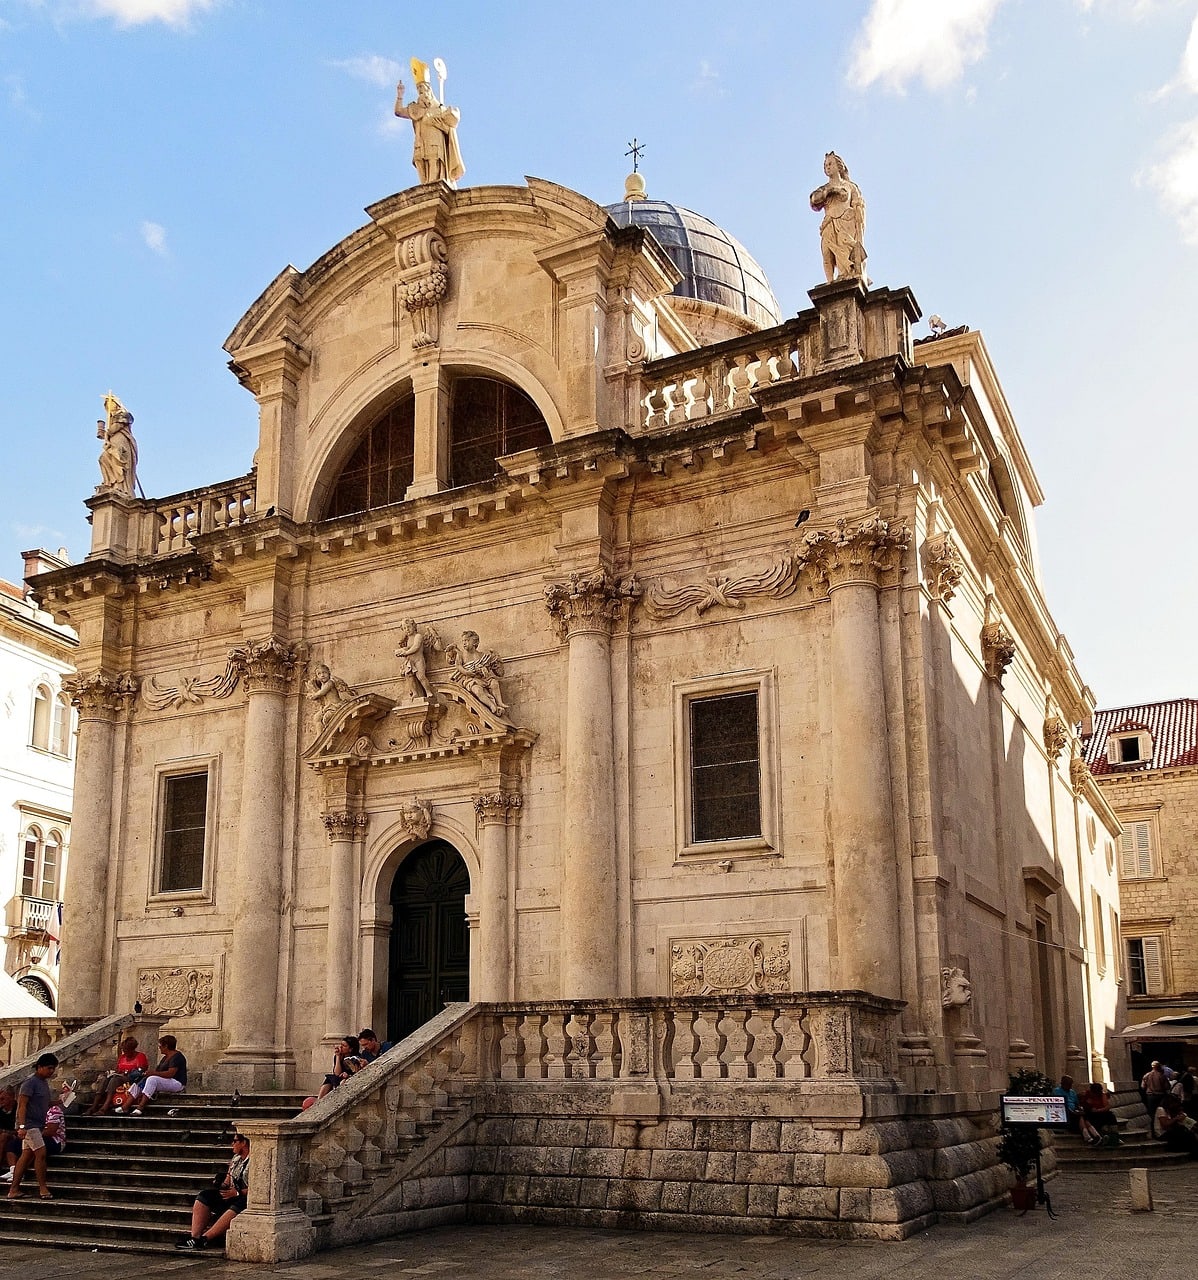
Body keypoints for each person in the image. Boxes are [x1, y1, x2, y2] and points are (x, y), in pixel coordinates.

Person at [176, 1133, 250, 1250]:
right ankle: (194, 1237)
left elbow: (257, 1189)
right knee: (205, 1196)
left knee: (240, 1203)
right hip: (231, 1193)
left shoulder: (254, 1161)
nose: (232, 1144)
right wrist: (221, 1184)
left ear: (244, 1143)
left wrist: (237, 1193)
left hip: (245, 1197)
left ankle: (205, 1239)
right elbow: (228, 1180)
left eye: (235, 1141)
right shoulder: (236, 1159)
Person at [394, 64, 464, 188]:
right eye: (419, 88)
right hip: (420, 141)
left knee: (433, 162)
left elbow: (450, 126)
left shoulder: (439, 109)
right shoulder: (415, 108)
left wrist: (443, 124)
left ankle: (432, 188)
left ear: (429, 90)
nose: (421, 91)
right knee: (419, 162)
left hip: (435, 141)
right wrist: (400, 96)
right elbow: (398, 111)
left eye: (423, 88)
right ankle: (425, 188)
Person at [809, 152, 868, 284]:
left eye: (830, 164)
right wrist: (830, 191)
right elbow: (814, 200)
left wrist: (856, 215)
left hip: (846, 224)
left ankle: (849, 274)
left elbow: (859, 207)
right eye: (825, 165)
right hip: (829, 224)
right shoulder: (824, 188)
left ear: (839, 166)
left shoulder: (851, 187)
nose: (827, 167)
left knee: (847, 251)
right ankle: (830, 282)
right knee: (826, 254)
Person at [6, 1052, 58, 1200]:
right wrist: (21, 1126)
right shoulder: (30, 1083)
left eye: (53, 1068)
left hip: (37, 1124)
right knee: (40, 1154)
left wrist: (60, 1102)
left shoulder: (43, 1083)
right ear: (40, 1067)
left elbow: (43, 1104)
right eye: (49, 1068)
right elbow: (22, 1105)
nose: (51, 1071)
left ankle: (14, 1189)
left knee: (25, 1157)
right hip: (30, 1125)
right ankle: (42, 1188)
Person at [124, 1034, 187, 1114]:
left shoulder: (177, 1057)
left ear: (166, 1046)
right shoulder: (165, 1057)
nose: (159, 1048)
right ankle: (125, 1106)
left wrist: (153, 1073)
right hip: (167, 1081)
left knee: (152, 1079)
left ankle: (141, 1107)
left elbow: (170, 1074)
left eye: (160, 1046)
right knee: (142, 1080)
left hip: (177, 1083)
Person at [88, 1035, 150, 1115]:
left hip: (131, 1079)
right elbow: (118, 1069)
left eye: (126, 1050)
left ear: (132, 1049)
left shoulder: (140, 1056)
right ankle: (94, 1106)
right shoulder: (122, 1057)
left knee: (115, 1079)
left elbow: (141, 1071)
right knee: (105, 1079)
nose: (124, 1052)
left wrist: (127, 1072)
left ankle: (104, 1108)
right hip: (120, 1076)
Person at [96, 393, 138, 496]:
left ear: (116, 403)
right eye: (107, 405)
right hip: (112, 442)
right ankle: (110, 483)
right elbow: (109, 432)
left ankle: (122, 486)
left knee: (120, 459)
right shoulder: (111, 419)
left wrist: (107, 432)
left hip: (121, 441)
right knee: (103, 458)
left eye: (110, 403)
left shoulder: (124, 415)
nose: (108, 406)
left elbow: (116, 428)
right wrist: (103, 434)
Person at [1053, 1074, 1102, 1145]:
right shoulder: (1057, 1091)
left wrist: (1079, 1108)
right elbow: (1059, 1104)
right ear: (1063, 1083)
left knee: (1083, 1116)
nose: (1070, 1086)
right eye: (1068, 1084)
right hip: (1065, 1112)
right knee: (1080, 1117)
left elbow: (1077, 1103)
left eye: (1071, 1084)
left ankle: (1094, 1136)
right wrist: (1072, 1111)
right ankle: (1089, 1136)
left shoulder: (1072, 1092)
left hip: (1075, 1112)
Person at [1142, 1060, 1170, 1137]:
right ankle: (1160, 1130)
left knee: (1151, 1114)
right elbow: (1167, 1087)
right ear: (1158, 1067)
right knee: (1161, 1113)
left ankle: (1152, 1132)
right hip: (1160, 1096)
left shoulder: (1146, 1075)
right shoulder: (1162, 1076)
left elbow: (1143, 1086)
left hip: (1150, 1096)